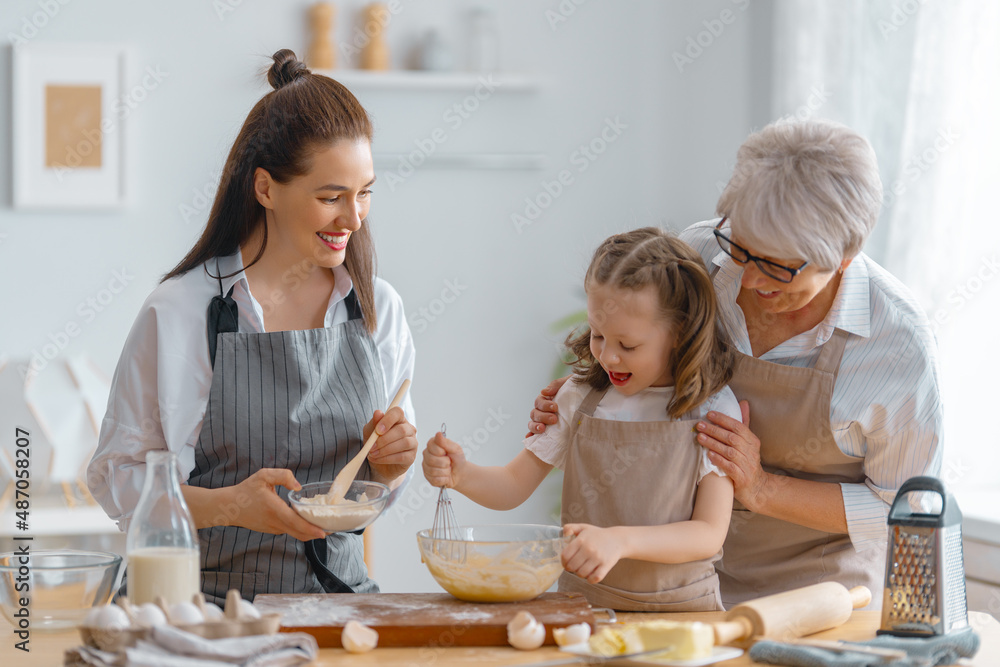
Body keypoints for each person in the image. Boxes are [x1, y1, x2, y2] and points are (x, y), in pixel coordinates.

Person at [529, 118, 943, 608]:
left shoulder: (894, 345)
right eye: (741, 248)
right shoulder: (699, 261)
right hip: (686, 588)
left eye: (777, 266)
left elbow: (907, 508)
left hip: (821, 599)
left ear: (845, 255)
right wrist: (588, 394)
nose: (745, 280)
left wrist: (763, 487)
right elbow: (645, 363)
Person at [87, 50, 417, 605]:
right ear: (265, 189)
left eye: (364, 193)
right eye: (330, 196)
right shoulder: (179, 311)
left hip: (338, 605)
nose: (354, 219)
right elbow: (117, 478)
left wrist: (390, 468)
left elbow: (375, 491)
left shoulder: (377, 308)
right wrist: (229, 505)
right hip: (194, 609)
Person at [424, 228, 739, 611]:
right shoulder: (578, 398)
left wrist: (619, 542)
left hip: (686, 613)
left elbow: (708, 534)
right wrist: (462, 474)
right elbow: (512, 484)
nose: (608, 357)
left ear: (679, 332)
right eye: (598, 335)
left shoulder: (714, 410)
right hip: (583, 607)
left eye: (628, 345)